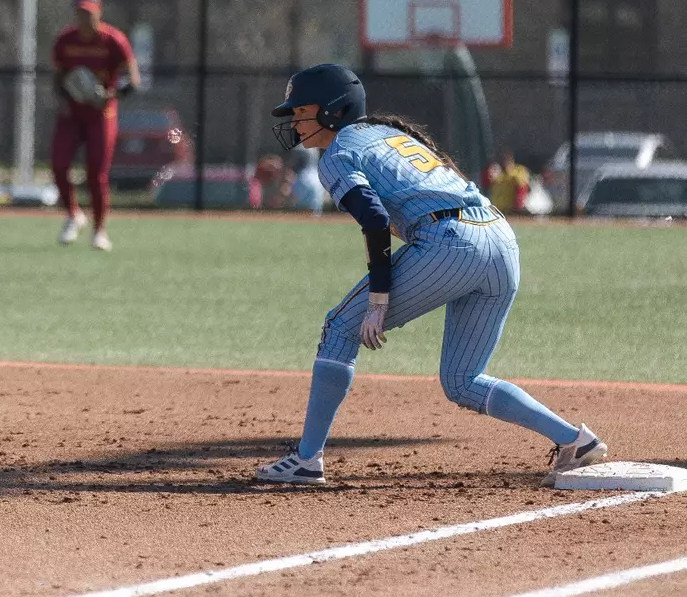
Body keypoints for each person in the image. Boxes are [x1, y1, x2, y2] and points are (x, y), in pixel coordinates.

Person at [254, 63, 607, 486]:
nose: (294, 120)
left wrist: (378, 299)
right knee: (462, 380)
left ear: (332, 110)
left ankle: (307, 459)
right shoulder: (388, 134)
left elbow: (374, 218)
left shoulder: (337, 154)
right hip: (500, 238)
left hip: (450, 243)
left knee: (338, 329)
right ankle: (574, 440)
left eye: (300, 110)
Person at [50, 0, 138, 252]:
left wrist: (110, 94)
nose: (84, 17)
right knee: (58, 165)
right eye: (80, 12)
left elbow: (133, 79)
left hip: (101, 114)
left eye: (89, 12)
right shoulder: (65, 40)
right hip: (72, 114)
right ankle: (73, 214)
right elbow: (57, 78)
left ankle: (99, 230)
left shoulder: (113, 40)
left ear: (99, 12)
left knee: (96, 174)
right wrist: (70, 93)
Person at [486, 150, 532, 215]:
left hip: (512, 209)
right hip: (496, 208)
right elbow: (488, 182)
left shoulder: (519, 170)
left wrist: (509, 172)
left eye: (507, 161)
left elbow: (522, 185)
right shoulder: (497, 172)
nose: (504, 163)